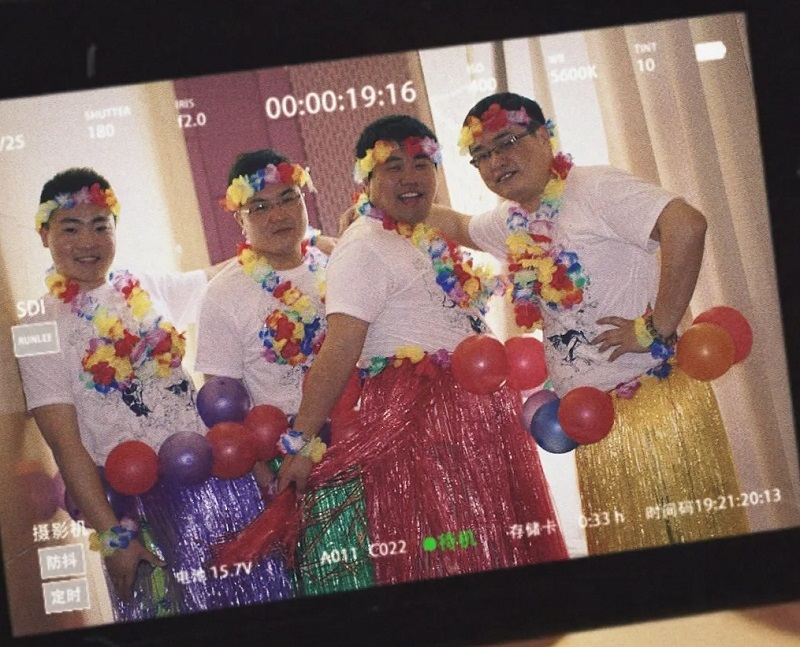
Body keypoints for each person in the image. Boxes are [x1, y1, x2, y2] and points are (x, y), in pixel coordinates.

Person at [426, 93, 749, 554]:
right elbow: (458, 226)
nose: (495, 162)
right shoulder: (511, 222)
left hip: (655, 409)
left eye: (507, 142)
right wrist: (383, 209)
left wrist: (657, 327)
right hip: (590, 422)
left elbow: (687, 225)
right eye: (481, 155)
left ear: (544, 136)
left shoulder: (594, 187)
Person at [272, 115, 568, 586]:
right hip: (420, 427)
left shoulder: (424, 232)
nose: (410, 177)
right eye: (393, 167)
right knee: (450, 561)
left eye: (421, 164)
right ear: (366, 179)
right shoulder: (363, 247)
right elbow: (340, 350)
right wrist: (302, 443)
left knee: (500, 555)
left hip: (479, 419)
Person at [16, 168, 292, 622]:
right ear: (44, 234)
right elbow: (65, 445)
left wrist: (312, 244)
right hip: (140, 512)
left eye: (100, 226)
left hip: (219, 481)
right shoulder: (36, 330)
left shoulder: (144, 286)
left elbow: (220, 275)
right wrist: (113, 540)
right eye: (71, 228)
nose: (88, 241)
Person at [195, 150, 373, 595]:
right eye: (259, 206)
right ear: (239, 218)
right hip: (288, 462)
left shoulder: (336, 265)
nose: (278, 214)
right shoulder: (223, 293)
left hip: (362, 448)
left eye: (288, 198)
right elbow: (220, 400)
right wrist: (261, 472)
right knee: (324, 586)